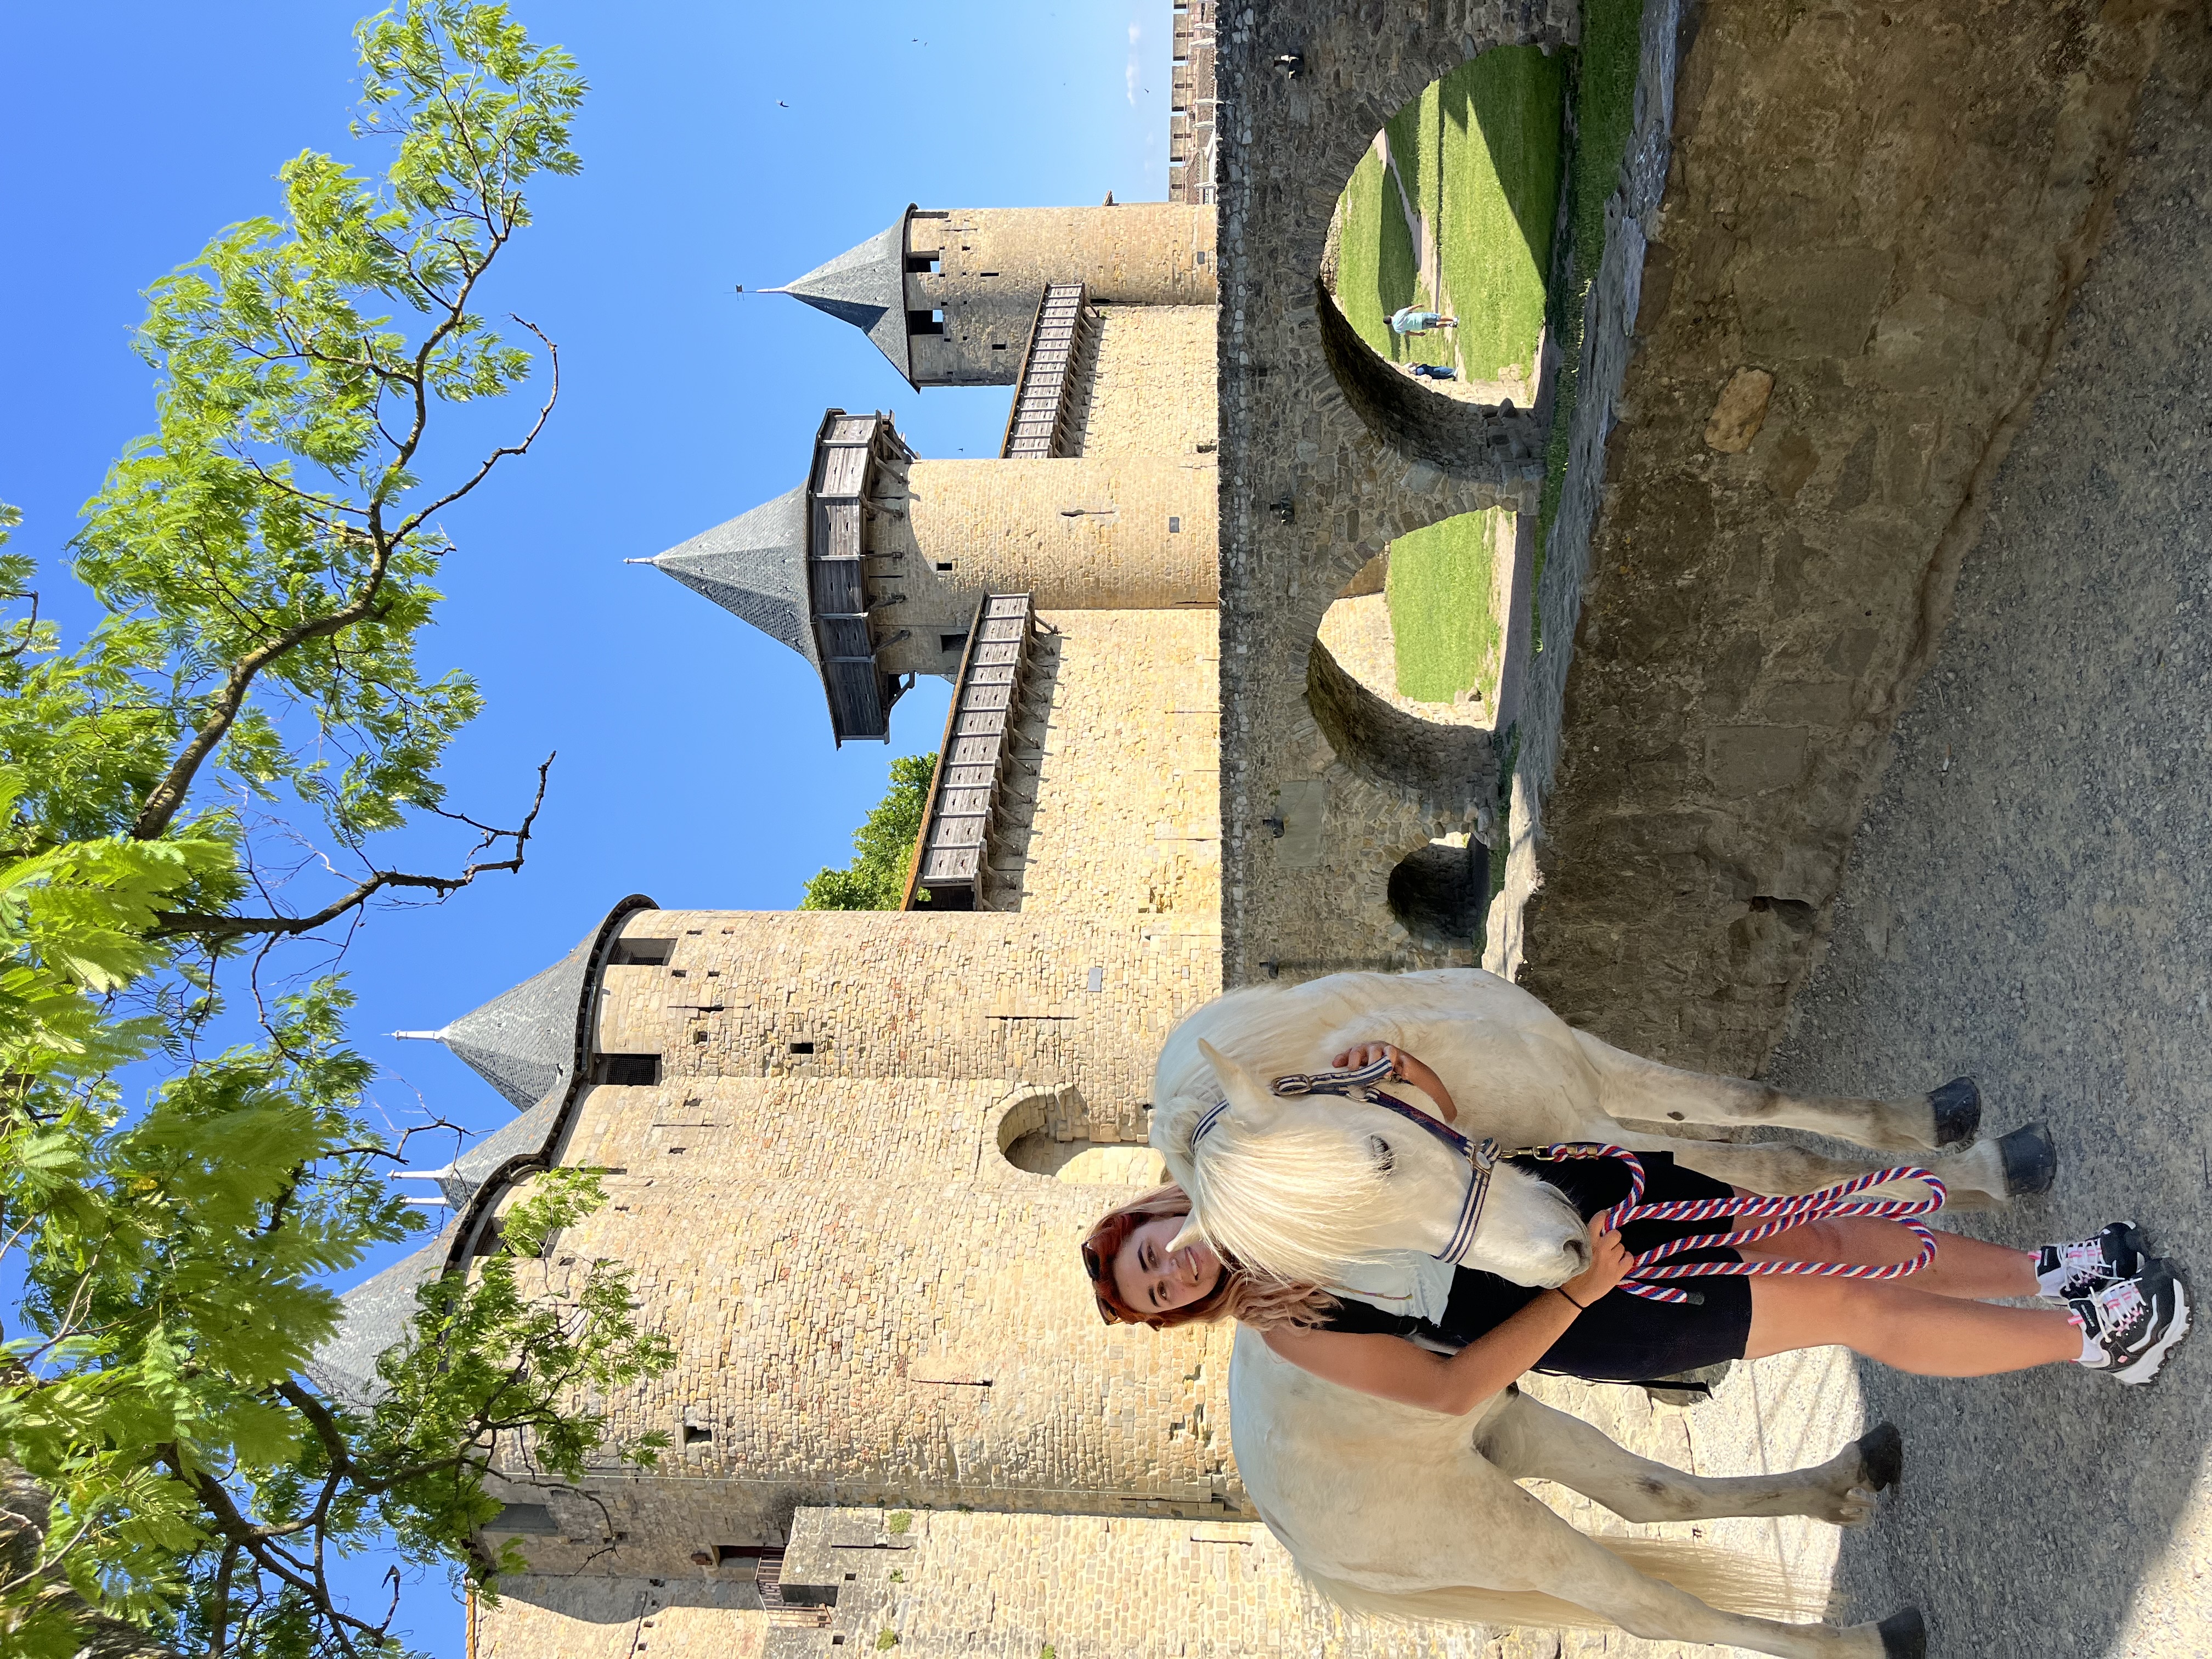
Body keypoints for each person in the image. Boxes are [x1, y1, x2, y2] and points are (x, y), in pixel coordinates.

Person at [1080, 1042, 2193, 1410]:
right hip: (1592, 1308)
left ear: (1152, 1213)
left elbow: (1437, 1139)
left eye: (1150, 1256)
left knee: (1830, 1237)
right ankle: (2097, 1339)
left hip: (1578, 1195)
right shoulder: (1290, 1323)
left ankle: (2050, 1272)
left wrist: (1394, 1073)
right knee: (1851, 1306)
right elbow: (1452, 1389)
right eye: (1160, 1293)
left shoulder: (1270, 1153)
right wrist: (1578, 1292)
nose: (1172, 1271)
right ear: (1183, 1311)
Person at [1389, 304, 1455, 335]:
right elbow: (1410, 309)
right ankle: (1454, 319)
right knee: (1438, 318)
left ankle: (1449, 325)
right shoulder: (1398, 314)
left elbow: (1408, 333)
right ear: (1390, 316)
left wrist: (1418, 334)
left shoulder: (1397, 329)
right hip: (1420, 317)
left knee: (1436, 325)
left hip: (1420, 327)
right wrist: (1418, 306)